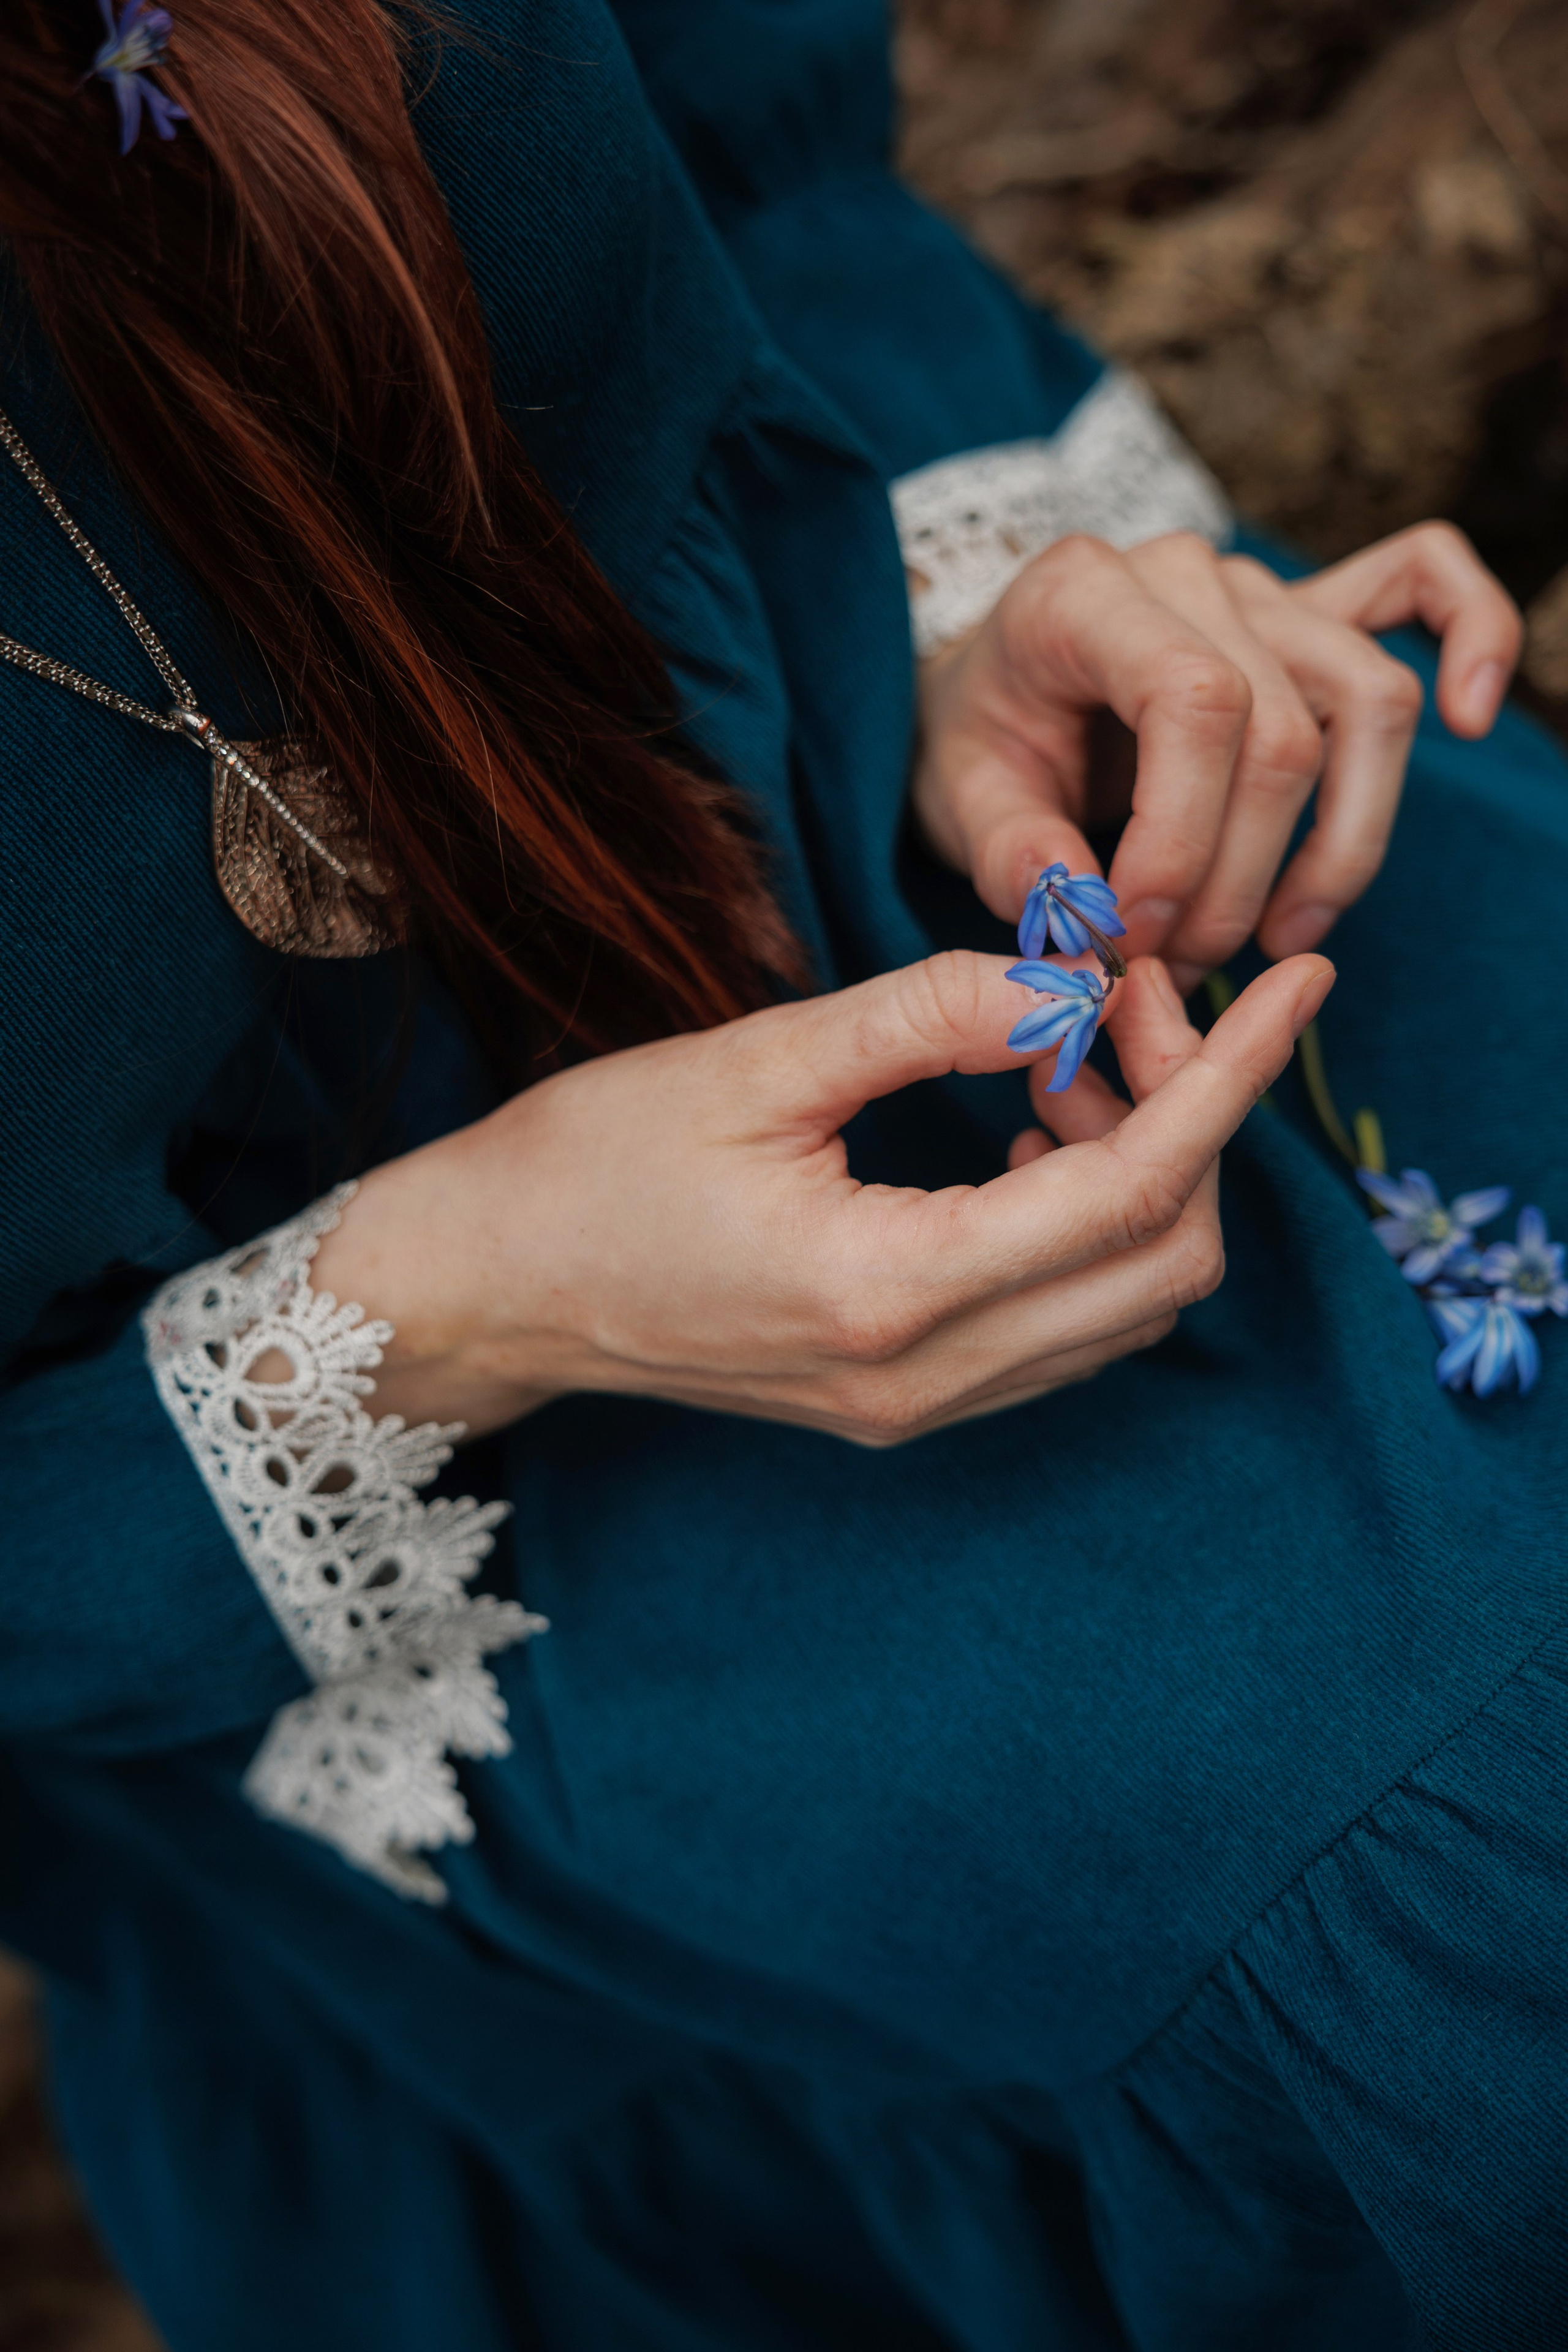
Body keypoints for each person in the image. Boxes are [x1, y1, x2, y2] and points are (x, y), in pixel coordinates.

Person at [2, 0, 1565, 2343]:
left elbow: (744, 155)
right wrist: (462, 1300)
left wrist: (961, 594)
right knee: (1443, 1868)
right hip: (317, 1442)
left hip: (885, 773)